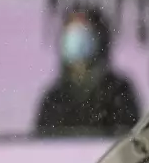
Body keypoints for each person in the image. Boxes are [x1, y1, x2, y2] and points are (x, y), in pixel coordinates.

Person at [35, 7, 140, 137]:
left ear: (99, 40)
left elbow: (128, 144)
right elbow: (42, 148)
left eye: (84, 35)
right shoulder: (53, 99)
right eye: (72, 36)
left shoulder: (119, 92)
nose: (77, 42)